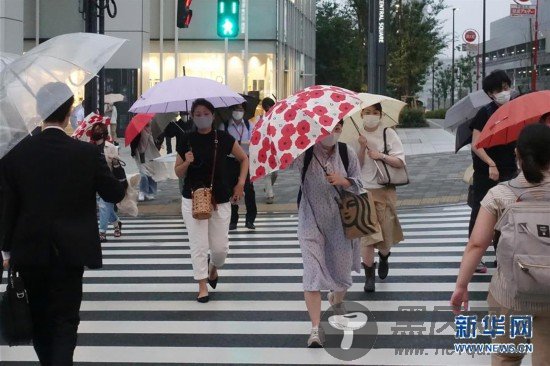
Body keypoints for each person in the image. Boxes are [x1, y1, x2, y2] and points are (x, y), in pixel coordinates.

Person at [0, 82, 126, 365]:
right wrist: (115, 165)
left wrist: (6, 249)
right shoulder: (85, 154)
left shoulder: (16, 155)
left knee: (40, 317)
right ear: (69, 112)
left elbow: (8, 206)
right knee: (66, 318)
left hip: (30, 250)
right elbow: (114, 194)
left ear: (38, 110)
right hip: (71, 251)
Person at [451, 124, 550, 366]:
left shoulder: (501, 194)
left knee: (506, 356)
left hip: (510, 294)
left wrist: (461, 286)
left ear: (517, 155)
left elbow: (476, 245)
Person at [295, 120, 364, 348]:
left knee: (341, 273)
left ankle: (336, 299)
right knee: (312, 273)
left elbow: (359, 184)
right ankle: (315, 328)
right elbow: (283, 163)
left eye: (336, 128)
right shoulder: (304, 153)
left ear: (341, 129)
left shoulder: (346, 152)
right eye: (326, 128)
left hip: (341, 222)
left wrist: (342, 180)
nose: (331, 133)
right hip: (310, 220)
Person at [175, 98, 248, 303]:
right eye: (197, 114)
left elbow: (244, 159)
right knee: (198, 244)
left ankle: (213, 267)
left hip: (220, 198)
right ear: (192, 116)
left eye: (206, 113)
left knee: (220, 249)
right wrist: (187, 162)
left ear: (213, 116)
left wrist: (240, 183)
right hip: (193, 197)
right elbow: (178, 172)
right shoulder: (186, 140)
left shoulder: (223, 138)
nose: (202, 118)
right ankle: (201, 285)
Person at [352, 103, 405, 293]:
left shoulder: (388, 134)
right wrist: (361, 147)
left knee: (385, 238)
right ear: (361, 114)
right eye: (367, 112)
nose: (371, 116)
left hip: (385, 191)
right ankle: (369, 277)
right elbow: (354, 166)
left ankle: (384, 257)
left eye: (375, 112)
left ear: (381, 114)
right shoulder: (356, 135)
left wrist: (379, 155)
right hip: (363, 191)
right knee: (367, 238)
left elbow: (400, 161)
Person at [469, 70, 518, 273]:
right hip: (486, 172)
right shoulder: (485, 113)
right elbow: (476, 144)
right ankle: (476, 257)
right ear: (490, 93)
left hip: (510, 171)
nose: (504, 92)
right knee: (481, 212)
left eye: (506, 87)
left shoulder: (516, 110)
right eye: (499, 89)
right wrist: (491, 164)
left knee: (507, 214)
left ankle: (501, 254)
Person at [222, 103, 257, 230]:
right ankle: (233, 220)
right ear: (231, 110)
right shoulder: (224, 125)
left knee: (249, 189)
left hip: (245, 161)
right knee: (231, 189)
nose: (238, 111)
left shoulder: (248, 125)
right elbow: (221, 143)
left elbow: (255, 141)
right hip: (230, 161)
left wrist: (244, 143)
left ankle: (250, 219)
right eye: (236, 109)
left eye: (241, 109)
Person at [90, 122, 123, 242]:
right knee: (106, 207)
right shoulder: (90, 147)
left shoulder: (111, 147)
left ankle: (102, 232)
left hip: (108, 181)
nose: (96, 132)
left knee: (104, 206)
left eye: (99, 130)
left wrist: (114, 162)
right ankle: (116, 223)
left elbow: (117, 166)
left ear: (104, 133)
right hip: (95, 182)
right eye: (95, 130)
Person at [131, 123, 160, 202]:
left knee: (151, 171)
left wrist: (157, 143)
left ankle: (150, 191)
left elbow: (160, 136)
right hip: (140, 152)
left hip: (151, 152)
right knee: (143, 172)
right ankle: (142, 191)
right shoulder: (136, 127)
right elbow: (133, 141)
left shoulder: (154, 126)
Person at [261, 97, 278, 204]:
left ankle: (268, 188)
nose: (269, 109)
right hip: (264, 148)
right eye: (267, 108)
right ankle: (270, 195)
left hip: (275, 148)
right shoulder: (261, 119)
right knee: (267, 173)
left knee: (275, 174)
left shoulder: (276, 117)